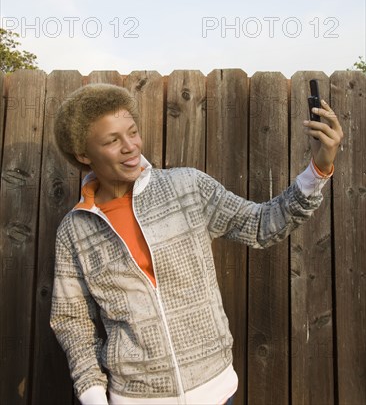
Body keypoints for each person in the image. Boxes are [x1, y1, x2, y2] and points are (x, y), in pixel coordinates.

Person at [50, 83, 343, 405]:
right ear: (83, 154)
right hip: (134, 398)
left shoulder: (186, 187)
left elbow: (261, 225)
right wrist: (93, 396)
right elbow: (71, 320)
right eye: (112, 141)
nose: (130, 147)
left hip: (215, 390)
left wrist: (318, 170)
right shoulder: (75, 230)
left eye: (132, 133)